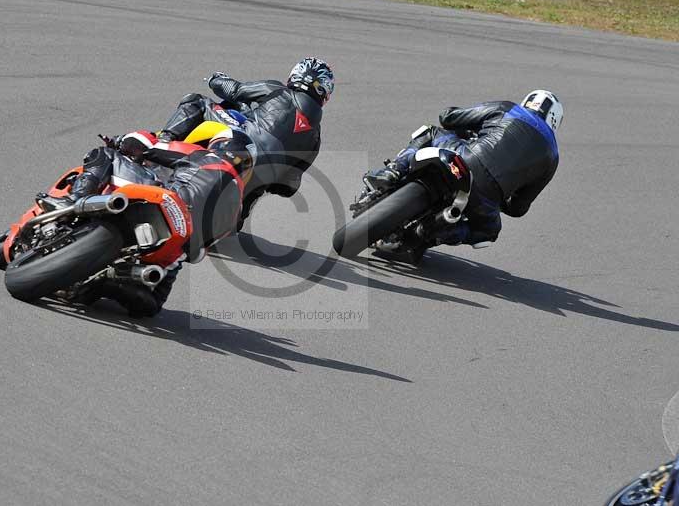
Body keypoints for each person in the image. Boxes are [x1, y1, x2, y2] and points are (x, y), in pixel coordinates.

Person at [39, 127, 257, 317]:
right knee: (153, 302)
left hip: (164, 205)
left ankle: (74, 199)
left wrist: (120, 142)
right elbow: (196, 253)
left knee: (104, 154)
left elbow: (148, 149)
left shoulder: (205, 157)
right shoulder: (236, 211)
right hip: (174, 244)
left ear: (220, 146)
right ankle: (110, 284)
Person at [365, 90, 562, 258]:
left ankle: (391, 172)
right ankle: (433, 232)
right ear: (555, 120)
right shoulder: (552, 156)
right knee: (488, 232)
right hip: (486, 197)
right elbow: (519, 207)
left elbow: (448, 118)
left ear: (527, 101)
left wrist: (463, 126)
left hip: (462, 159)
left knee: (431, 132)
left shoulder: (509, 109)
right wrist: (502, 197)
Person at [159, 57, 334, 226]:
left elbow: (234, 90)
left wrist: (216, 79)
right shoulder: (315, 140)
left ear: (296, 75)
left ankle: (163, 140)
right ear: (325, 91)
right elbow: (288, 187)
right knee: (242, 213)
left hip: (240, 143)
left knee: (197, 101)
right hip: (253, 186)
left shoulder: (279, 91)